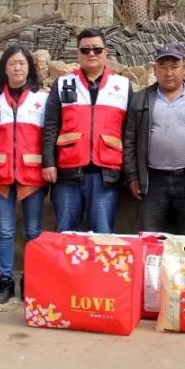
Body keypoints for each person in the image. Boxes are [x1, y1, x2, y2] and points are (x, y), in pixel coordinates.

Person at [0, 46, 49, 304]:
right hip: (0, 176)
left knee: (33, 232)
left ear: (29, 67)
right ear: (4, 68)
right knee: (5, 231)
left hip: (33, 175)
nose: (17, 68)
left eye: (21, 63)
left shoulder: (43, 99)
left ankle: (31, 280)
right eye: (12, 63)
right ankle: (5, 281)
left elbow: (48, 137)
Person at [42, 28, 131, 234]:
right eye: (85, 50)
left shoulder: (123, 86)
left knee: (102, 234)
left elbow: (130, 132)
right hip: (68, 174)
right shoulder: (63, 84)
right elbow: (51, 126)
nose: (91, 54)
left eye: (97, 49)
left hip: (105, 175)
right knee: (65, 233)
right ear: (77, 54)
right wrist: (48, 162)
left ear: (106, 53)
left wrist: (130, 173)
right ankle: (64, 269)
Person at [123, 43, 185, 242]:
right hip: (153, 182)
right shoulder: (140, 99)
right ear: (154, 70)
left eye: (174, 66)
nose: (169, 73)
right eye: (162, 67)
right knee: (150, 241)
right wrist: (133, 175)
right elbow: (129, 140)